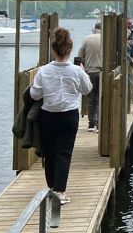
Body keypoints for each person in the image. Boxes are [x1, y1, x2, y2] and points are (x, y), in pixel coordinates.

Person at [29, 27, 92, 206]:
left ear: (54, 49)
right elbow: (87, 89)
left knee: (49, 153)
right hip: (69, 116)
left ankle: (52, 187)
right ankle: (60, 191)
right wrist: (83, 71)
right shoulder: (76, 71)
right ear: (69, 49)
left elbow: (35, 95)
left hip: (48, 115)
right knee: (64, 153)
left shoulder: (43, 71)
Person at [76, 22, 104, 133]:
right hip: (103, 72)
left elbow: (79, 57)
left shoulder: (87, 39)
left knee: (91, 99)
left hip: (90, 72)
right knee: (101, 99)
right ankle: (99, 124)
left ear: (94, 29)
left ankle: (91, 124)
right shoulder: (106, 39)